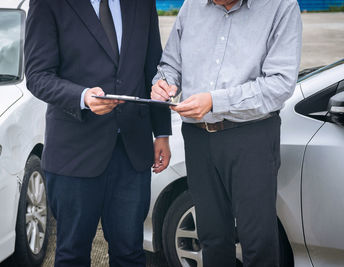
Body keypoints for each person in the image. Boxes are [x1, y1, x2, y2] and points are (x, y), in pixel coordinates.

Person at [151, 0, 302, 266]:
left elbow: (280, 83)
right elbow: (170, 65)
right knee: (211, 237)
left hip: (251, 136)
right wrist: (163, 83)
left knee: (258, 243)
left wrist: (214, 101)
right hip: (197, 138)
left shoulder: (281, 6)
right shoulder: (192, 6)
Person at [24, 0, 171, 266]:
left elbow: (153, 68)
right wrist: (81, 97)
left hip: (132, 152)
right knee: (72, 254)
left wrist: (162, 132)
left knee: (130, 253)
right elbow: (37, 75)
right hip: (74, 152)